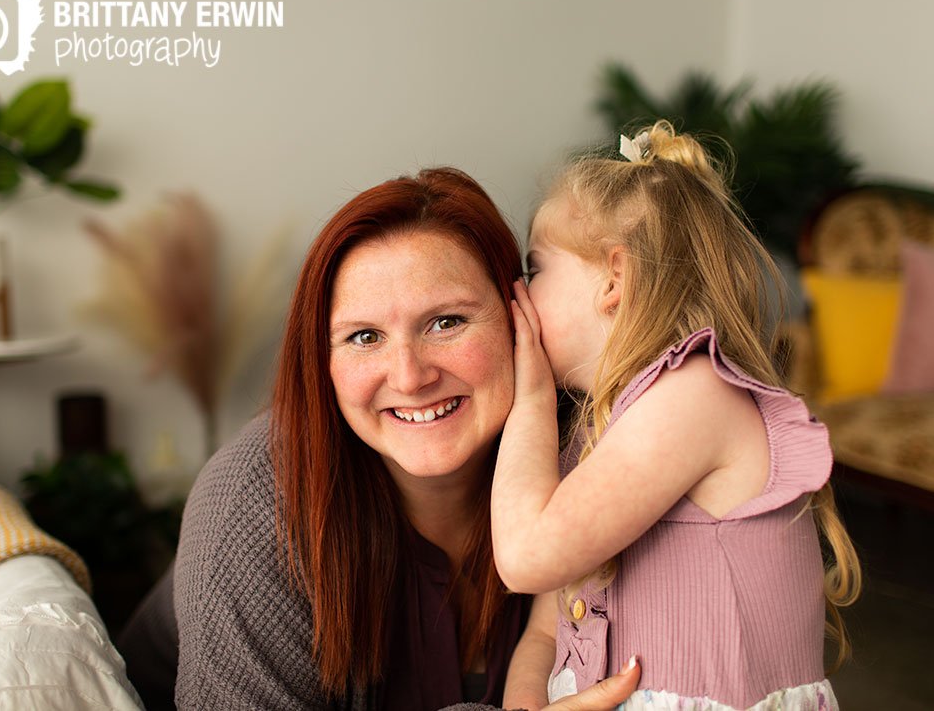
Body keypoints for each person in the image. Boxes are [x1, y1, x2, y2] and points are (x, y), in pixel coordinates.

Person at [120, 167, 640, 710]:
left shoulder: (597, 452)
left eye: (447, 322)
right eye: (364, 337)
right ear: (322, 361)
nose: (410, 376)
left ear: (519, 318)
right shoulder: (252, 502)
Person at [491, 122, 862, 711]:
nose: (522, 293)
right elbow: (544, 628)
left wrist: (531, 398)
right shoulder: (602, 431)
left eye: (536, 270)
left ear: (614, 276)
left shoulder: (694, 395)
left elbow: (525, 557)